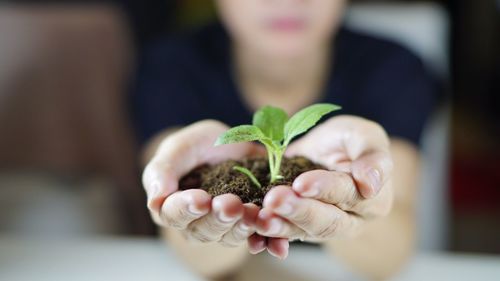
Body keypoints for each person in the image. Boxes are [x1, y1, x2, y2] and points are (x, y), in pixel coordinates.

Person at [133, 0, 436, 279]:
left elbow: (391, 254)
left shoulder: (392, 69)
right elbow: (189, 249)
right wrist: (208, 220)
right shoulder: (172, 67)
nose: (288, 2)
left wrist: (364, 201)